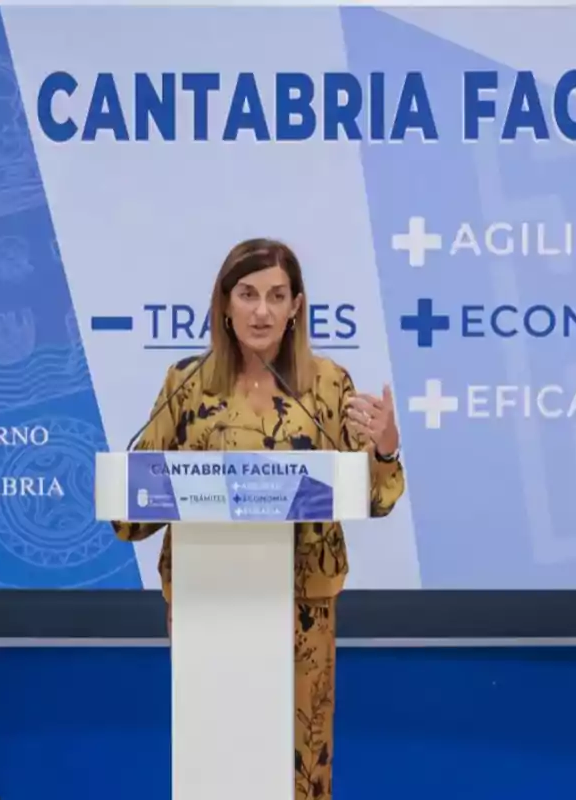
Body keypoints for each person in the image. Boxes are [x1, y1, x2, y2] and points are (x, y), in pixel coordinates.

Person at [112, 237, 405, 800]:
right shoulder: (186, 385)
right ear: (224, 304)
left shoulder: (326, 385)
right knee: (215, 766)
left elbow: (373, 497)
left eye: (276, 296)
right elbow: (132, 513)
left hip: (302, 612)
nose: (262, 311)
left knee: (296, 771)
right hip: (208, 608)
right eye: (247, 294)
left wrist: (385, 449)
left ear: (297, 305)